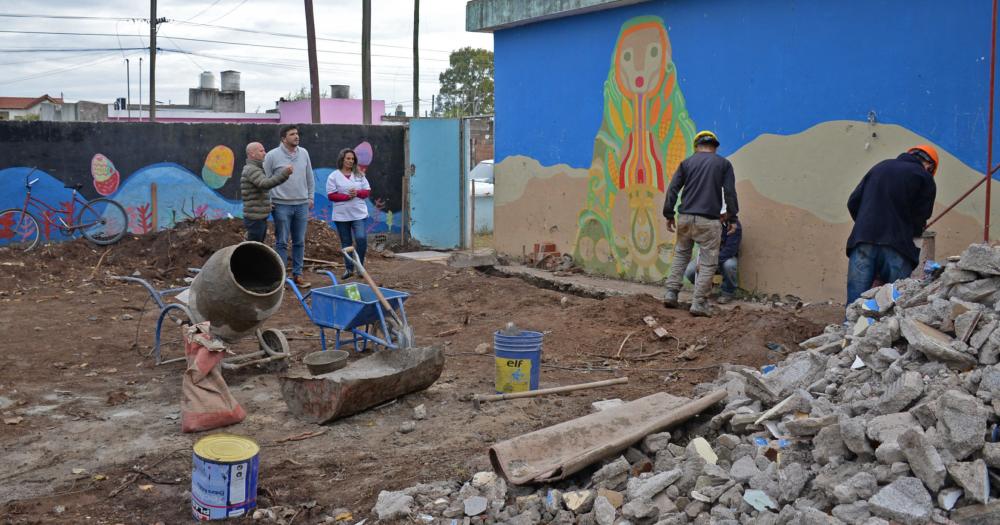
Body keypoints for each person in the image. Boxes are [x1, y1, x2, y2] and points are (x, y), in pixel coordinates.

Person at [845, 145, 938, 306]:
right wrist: (911, 233)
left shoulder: (880, 167)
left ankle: (848, 329)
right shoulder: (924, 177)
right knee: (894, 305)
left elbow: (853, 202)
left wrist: (865, 225)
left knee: (855, 305)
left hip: (863, 240)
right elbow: (921, 216)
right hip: (897, 246)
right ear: (930, 166)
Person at [661, 130, 739, 317]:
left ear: (696, 146)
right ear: (715, 146)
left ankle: (671, 293)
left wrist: (669, 214)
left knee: (681, 255)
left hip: (685, 217)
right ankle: (699, 303)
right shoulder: (723, 164)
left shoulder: (687, 163)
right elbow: (729, 192)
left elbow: (673, 189)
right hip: (708, 220)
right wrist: (732, 217)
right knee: (708, 261)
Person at [264, 125, 315, 288]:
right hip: (281, 205)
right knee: (282, 242)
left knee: (299, 241)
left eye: (297, 133)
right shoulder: (272, 155)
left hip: (301, 204)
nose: (296, 136)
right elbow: (264, 180)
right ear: (283, 138)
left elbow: (310, 177)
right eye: (292, 134)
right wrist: (268, 200)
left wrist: (311, 197)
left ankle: (298, 275)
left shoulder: (304, 153)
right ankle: (282, 277)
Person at [326, 148, 371, 280]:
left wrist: (357, 193)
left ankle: (360, 267)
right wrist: (346, 197)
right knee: (346, 242)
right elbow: (331, 195)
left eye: (352, 159)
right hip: (342, 215)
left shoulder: (359, 175)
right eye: (348, 158)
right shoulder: (333, 176)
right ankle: (349, 269)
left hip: (358, 213)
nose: (350, 161)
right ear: (342, 159)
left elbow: (367, 191)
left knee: (361, 238)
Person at [240, 142, 291, 243]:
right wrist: (284, 174)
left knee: (257, 245)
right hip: (255, 219)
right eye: (261, 151)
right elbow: (265, 184)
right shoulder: (252, 170)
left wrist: (267, 205)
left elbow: (257, 192)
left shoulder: (256, 168)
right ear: (252, 154)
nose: (265, 153)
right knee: (254, 248)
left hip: (258, 217)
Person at [684, 217, 741, 303]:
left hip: (724, 258)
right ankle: (705, 287)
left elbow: (730, 250)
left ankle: (727, 293)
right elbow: (701, 244)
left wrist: (709, 262)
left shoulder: (734, 225)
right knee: (690, 271)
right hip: (707, 256)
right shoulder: (708, 221)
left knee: (730, 265)